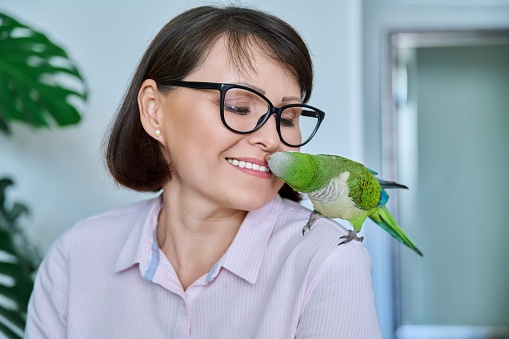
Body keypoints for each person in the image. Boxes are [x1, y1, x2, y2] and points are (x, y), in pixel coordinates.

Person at [25, 5, 382, 338]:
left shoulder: (327, 260)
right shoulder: (76, 257)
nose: (273, 138)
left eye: (287, 117)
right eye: (240, 107)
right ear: (153, 110)